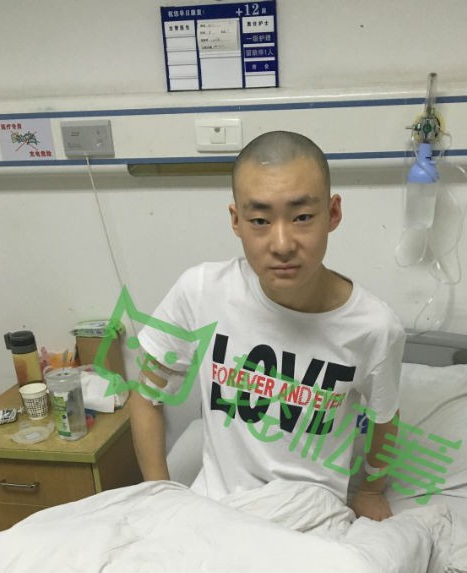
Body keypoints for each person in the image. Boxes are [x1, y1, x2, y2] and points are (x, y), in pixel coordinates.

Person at [129, 130, 405, 521]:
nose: (282, 244)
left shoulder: (374, 328)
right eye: (259, 220)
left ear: (333, 214)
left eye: (302, 217)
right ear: (236, 220)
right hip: (214, 513)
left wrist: (372, 490)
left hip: (310, 519)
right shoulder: (201, 292)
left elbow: (385, 419)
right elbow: (146, 396)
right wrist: (159, 494)